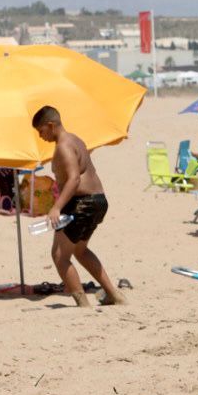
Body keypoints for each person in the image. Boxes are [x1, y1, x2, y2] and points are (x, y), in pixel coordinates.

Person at [31, 105, 127, 307]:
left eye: (41, 131)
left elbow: (74, 179)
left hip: (82, 203)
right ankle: (114, 295)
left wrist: (57, 207)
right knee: (80, 250)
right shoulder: (76, 140)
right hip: (98, 200)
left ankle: (82, 303)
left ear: (51, 125)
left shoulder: (64, 146)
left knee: (59, 255)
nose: (41, 136)